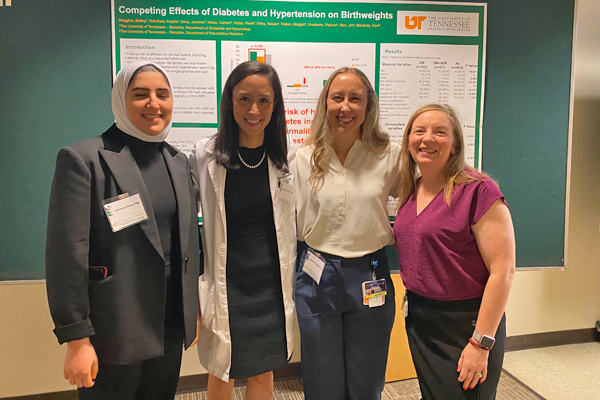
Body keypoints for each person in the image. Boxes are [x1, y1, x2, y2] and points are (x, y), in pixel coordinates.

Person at [45, 61, 201, 400]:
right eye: (140, 94)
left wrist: (192, 309)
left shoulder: (178, 161)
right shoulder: (84, 159)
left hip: (168, 325)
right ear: (120, 100)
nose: (154, 104)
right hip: (113, 329)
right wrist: (76, 339)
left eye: (163, 94)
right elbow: (65, 256)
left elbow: (188, 241)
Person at [393, 104, 515, 400]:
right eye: (419, 131)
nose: (427, 139)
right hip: (422, 323)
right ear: (409, 140)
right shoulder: (410, 191)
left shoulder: (478, 190)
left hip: (466, 327)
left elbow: (504, 271)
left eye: (440, 132)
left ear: (455, 144)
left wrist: (480, 343)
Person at [190, 60, 296, 400]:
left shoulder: (288, 156)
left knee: (264, 371)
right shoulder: (205, 155)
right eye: (244, 99)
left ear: (276, 105)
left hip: (270, 282)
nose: (254, 110)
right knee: (223, 371)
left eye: (264, 100)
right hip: (227, 280)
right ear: (229, 101)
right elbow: (185, 222)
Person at [293, 67, 401, 400]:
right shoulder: (303, 157)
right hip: (316, 274)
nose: (346, 107)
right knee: (321, 378)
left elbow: (420, 201)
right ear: (325, 104)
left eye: (355, 98)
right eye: (337, 98)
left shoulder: (390, 156)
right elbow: (290, 223)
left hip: (369, 274)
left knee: (366, 378)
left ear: (369, 106)